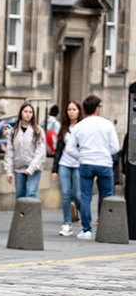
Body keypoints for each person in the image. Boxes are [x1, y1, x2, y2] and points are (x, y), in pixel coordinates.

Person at [63, 94, 120, 240]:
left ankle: (86, 230)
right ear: (97, 108)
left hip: (86, 163)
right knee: (107, 196)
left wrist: (81, 156)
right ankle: (106, 227)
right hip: (104, 163)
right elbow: (115, 147)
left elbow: (69, 148)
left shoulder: (79, 126)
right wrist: (104, 153)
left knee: (86, 197)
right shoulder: (107, 124)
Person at [51, 100, 83, 237]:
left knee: (77, 195)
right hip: (64, 163)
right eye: (69, 109)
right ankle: (67, 224)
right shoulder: (63, 127)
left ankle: (85, 221)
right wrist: (55, 169)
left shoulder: (83, 127)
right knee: (65, 194)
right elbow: (58, 149)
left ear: (79, 111)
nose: (71, 112)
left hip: (78, 164)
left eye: (74, 109)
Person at [3, 102, 46, 199]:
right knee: (20, 195)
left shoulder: (38, 130)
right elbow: (9, 152)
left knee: (31, 193)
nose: (28, 114)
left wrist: (31, 168)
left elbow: (40, 152)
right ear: (21, 113)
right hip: (19, 167)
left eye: (30, 112)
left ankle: (31, 214)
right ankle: (21, 214)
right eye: (25, 111)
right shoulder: (14, 131)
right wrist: (8, 171)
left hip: (34, 168)